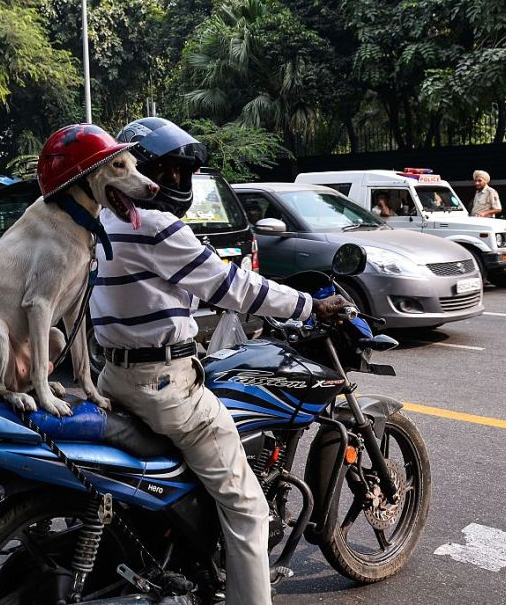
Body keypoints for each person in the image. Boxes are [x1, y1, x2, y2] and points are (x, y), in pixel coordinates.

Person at [90, 117, 349, 605]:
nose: (175, 185)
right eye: (167, 173)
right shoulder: (154, 225)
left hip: (114, 375)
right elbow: (231, 285)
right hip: (164, 386)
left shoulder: (105, 221)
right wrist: (310, 306)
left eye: (181, 175)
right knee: (249, 505)